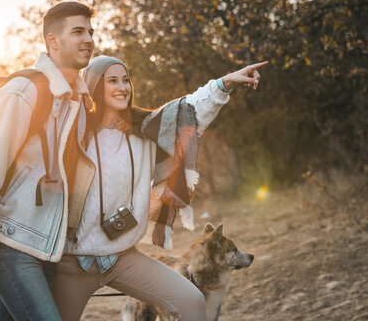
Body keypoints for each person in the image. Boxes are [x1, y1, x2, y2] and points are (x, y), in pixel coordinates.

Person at [51, 56, 267, 321]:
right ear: (94, 86)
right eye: (113, 81)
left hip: (123, 258)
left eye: (126, 80)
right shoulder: (74, 132)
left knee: (191, 301)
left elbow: (188, 112)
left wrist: (223, 84)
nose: (123, 87)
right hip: (75, 263)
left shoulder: (145, 129)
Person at [0, 1, 99, 321]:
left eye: (91, 32)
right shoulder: (22, 91)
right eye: (78, 31)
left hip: (47, 247)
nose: (89, 39)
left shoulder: (76, 97)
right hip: (12, 245)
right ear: (53, 41)